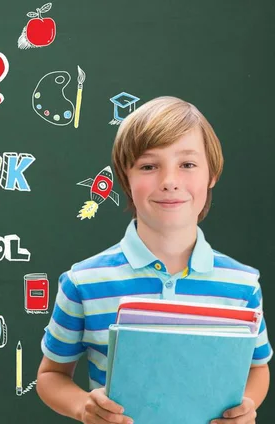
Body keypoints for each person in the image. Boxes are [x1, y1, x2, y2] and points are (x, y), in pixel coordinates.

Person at [36, 96, 272, 424]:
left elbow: (258, 367)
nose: (169, 181)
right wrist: (83, 407)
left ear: (211, 174)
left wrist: (245, 405)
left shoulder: (242, 285)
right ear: (126, 179)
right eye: (149, 166)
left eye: (187, 164)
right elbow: (50, 375)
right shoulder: (84, 281)